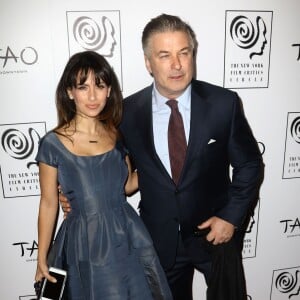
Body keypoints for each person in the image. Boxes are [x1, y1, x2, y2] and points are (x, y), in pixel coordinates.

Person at [61, 14, 264, 299]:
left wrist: (230, 218)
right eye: (165, 55)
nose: (177, 64)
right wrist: (76, 196)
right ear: (148, 63)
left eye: (184, 53)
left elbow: (250, 164)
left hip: (216, 235)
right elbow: (110, 170)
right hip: (157, 240)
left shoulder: (223, 103)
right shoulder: (127, 113)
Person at [34, 50, 172, 300]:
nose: (92, 95)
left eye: (100, 85)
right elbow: (48, 202)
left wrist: (164, 164)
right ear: (69, 92)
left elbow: (128, 185)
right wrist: (41, 257)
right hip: (84, 241)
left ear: (109, 91)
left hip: (127, 234)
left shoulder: (117, 135)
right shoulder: (52, 144)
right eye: (83, 87)